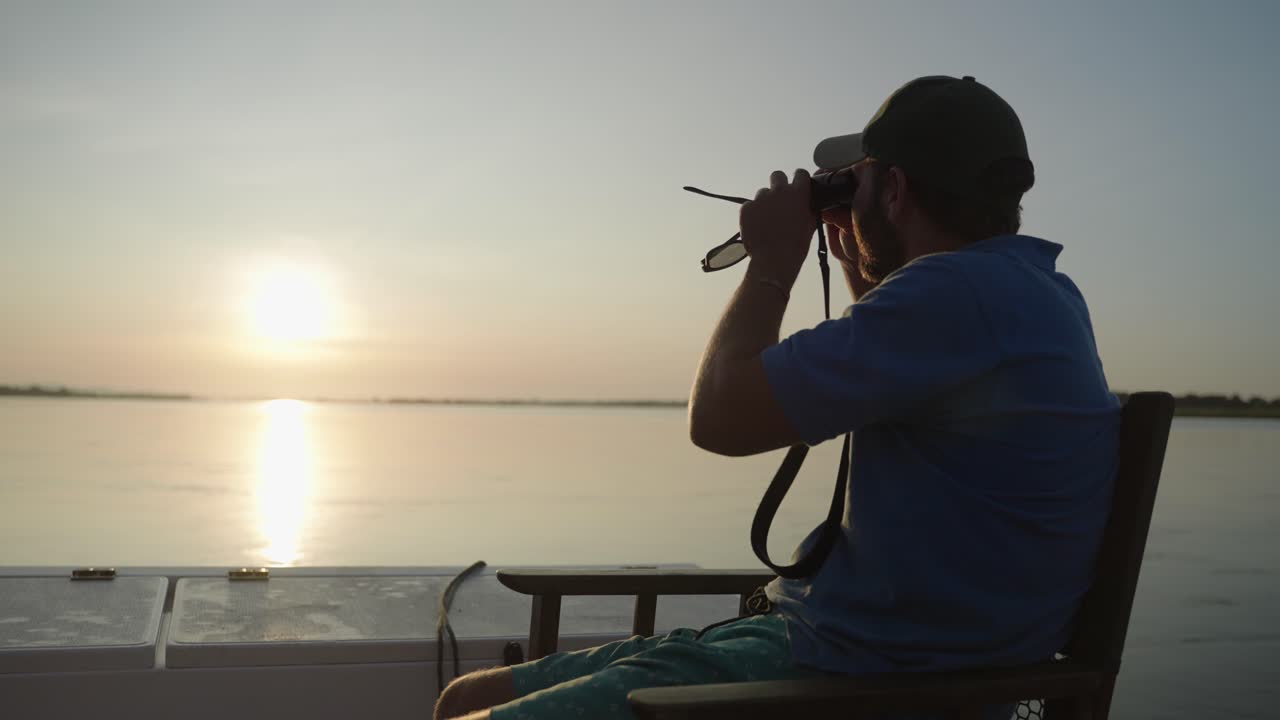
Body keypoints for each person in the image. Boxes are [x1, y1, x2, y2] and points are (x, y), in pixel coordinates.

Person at [434, 75, 1121, 720]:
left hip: (861, 674)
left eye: (858, 180)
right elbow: (896, 371)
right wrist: (860, 263)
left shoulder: (955, 294)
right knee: (469, 694)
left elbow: (720, 418)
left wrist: (772, 262)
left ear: (893, 190)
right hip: (873, 648)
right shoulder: (1029, 291)